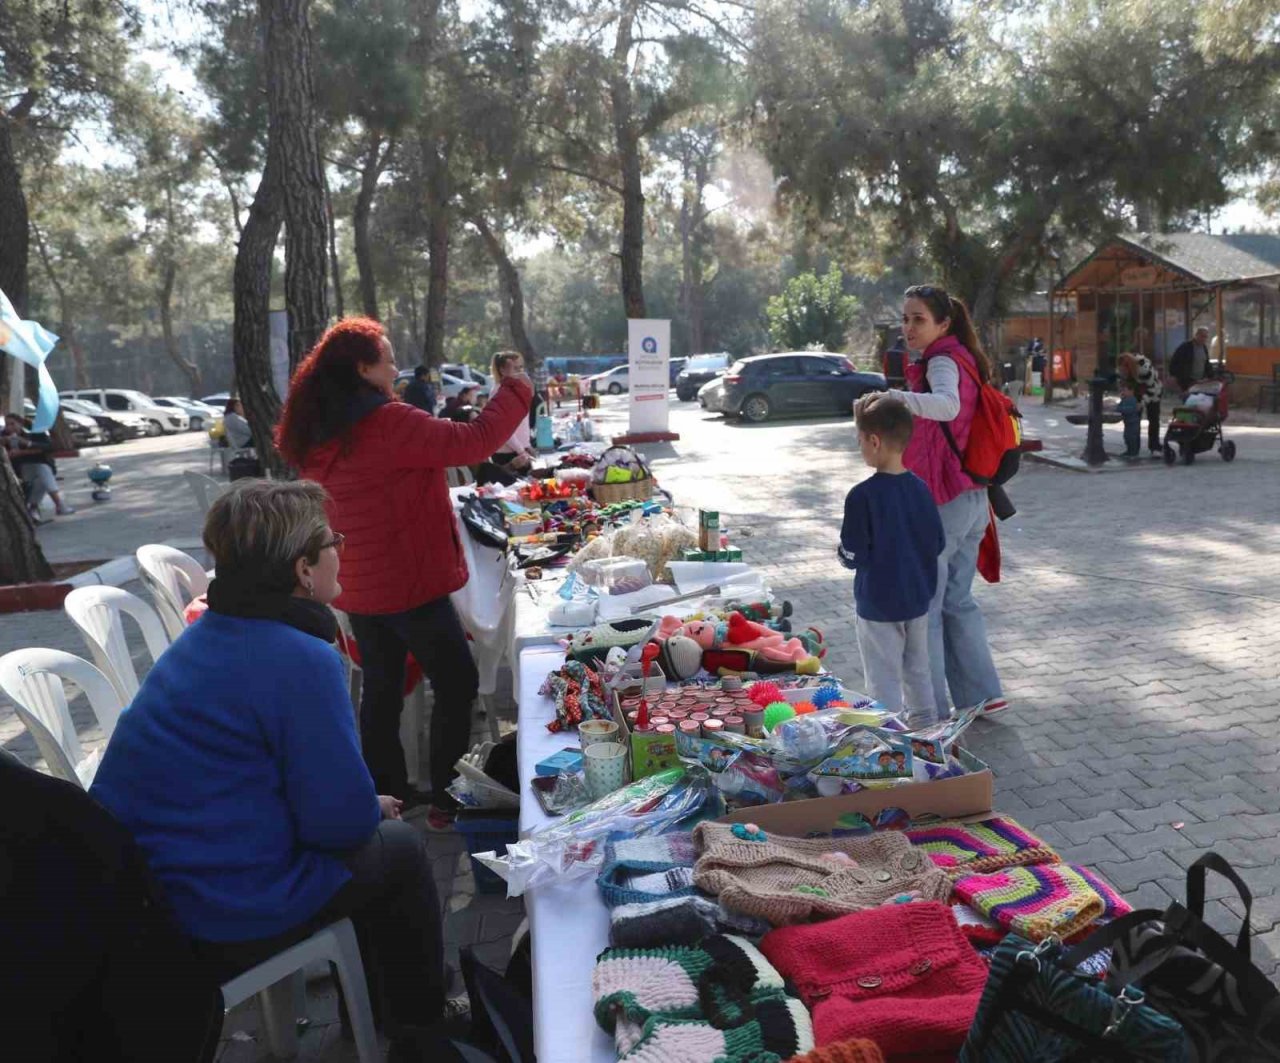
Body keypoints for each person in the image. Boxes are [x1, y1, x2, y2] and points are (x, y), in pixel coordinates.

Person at [89, 480, 452, 1048]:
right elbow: (335, 825)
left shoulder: (209, 632)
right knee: (400, 850)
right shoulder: (299, 657)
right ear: (304, 570)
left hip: (145, 897)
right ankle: (419, 1027)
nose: (341, 547)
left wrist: (356, 809)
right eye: (332, 539)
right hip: (210, 910)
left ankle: (389, 994)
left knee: (373, 841)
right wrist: (364, 810)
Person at [276, 317, 532, 829]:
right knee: (456, 683)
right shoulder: (387, 423)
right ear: (364, 369)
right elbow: (475, 440)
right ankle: (444, 799)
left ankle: (386, 797)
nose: (396, 367)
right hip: (409, 583)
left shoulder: (320, 431)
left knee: (383, 690)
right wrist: (517, 387)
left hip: (360, 587)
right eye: (388, 358)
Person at [877, 284, 1007, 719]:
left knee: (927, 608)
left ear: (944, 324)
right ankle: (984, 694)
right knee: (957, 600)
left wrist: (895, 398)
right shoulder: (963, 358)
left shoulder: (944, 361)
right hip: (971, 497)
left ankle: (930, 707)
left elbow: (948, 407)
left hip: (945, 500)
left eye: (919, 319)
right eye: (906, 318)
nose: (909, 327)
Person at [838, 395, 945, 723]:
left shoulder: (862, 496)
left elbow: (853, 553)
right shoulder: (922, 489)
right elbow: (937, 543)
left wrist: (842, 555)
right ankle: (927, 736)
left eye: (860, 442)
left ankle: (888, 747)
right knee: (918, 672)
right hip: (917, 600)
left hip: (878, 605)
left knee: (883, 679)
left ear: (874, 441)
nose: (860, 449)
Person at [2, 412, 75, 520]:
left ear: (21, 423)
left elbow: (49, 447)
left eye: (13, 424)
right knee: (41, 471)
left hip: (39, 468)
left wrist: (27, 444)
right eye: (7, 425)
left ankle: (35, 507)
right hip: (18, 471)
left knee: (41, 473)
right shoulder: (3, 435)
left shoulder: (34, 432)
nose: (10, 428)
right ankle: (58, 505)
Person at [490, 350, 538, 473]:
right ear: (502, 370)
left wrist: (527, 445)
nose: (520, 371)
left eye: (521, 367)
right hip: (508, 453)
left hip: (521, 451)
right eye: (515, 368)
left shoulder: (516, 389)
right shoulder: (499, 391)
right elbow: (502, 428)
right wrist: (521, 450)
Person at [1116, 351, 1163, 455]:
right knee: (1134, 419)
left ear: (1129, 366)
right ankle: (1133, 448)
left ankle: (1155, 447)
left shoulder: (1143, 368)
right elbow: (1124, 386)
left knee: (1153, 417)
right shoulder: (1124, 372)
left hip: (1153, 391)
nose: (1123, 372)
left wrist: (1141, 403)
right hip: (1137, 390)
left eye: (1124, 369)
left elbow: (1151, 389)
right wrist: (1124, 396)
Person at [1169, 326, 1212, 393]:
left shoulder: (1204, 347)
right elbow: (1174, 361)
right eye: (1202, 336)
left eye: (1206, 337)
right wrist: (1175, 375)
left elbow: (1206, 363)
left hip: (1200, 380)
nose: (1204, 339)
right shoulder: (1186, 347)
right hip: (1187, 380)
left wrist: (1210, 375)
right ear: (1196, 335)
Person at [1118, 382, 1141, 459]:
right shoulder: (1124, 399)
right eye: (1123, 390)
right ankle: (1129, 450)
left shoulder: (1132, 400)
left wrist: (1121, 409)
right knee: (1126, 437)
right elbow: (1119, 407)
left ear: (1131, 391)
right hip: (1127, 422)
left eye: (1125, 390)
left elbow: (1130, 410)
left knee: (1132, 437)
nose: (1123, 392)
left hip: (1133, 422)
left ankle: (1133, 452)